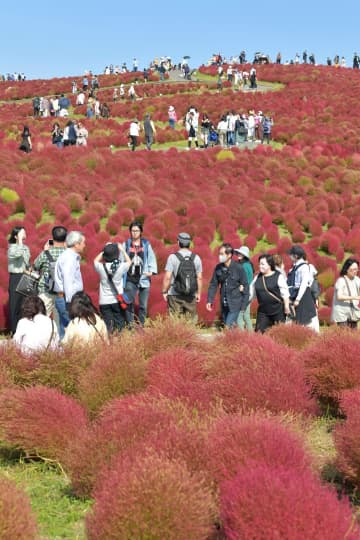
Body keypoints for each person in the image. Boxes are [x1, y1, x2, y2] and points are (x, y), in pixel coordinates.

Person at [33, 226, 67, 334]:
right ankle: (59, 344)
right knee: (60, 321)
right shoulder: (69, 254)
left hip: (45, 290)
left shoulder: (45, 254)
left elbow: (35, 266)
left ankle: (41, 344)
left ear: (53, 238)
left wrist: (45, 251)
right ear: (65, 239)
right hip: (62, 293)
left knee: (40, 319)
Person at [123, 221, 158, 326]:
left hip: (144, 279)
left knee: (143, 305)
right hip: (130, 278)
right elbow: (121, 258)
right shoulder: (126, 244)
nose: (134, 233)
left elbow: (151, 257)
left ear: (141, 232)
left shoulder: (146, 244)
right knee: (129, 303)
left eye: (137, 231)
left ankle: (141, 325)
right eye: (132, 231)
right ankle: (130, 325)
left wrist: (151, 271)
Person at [207, 244, 249, 328]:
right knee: (231, 328)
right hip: (224, 303)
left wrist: (244, 305)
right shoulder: (218, 267)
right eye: (219, 254)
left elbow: (245, 286)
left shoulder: (238, 268)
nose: (220, 256)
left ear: (229, 255)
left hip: (235, 303)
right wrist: (209, 300)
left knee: (227, 326)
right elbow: (213, 284)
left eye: (222, 254)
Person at [162, 232, 202, 321]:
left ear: (178, 242)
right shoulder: (196, 258)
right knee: (191, 323)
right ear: (189, 243)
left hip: (174, 294)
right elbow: (199, 278)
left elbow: (168, 277)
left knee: (174, 323)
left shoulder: (172, 257)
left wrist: (164, 291)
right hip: (191, 295)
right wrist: (198, 293)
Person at [54, 231, 86, 339]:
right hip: (68, 301)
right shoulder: (69, 258)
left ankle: (64, 354)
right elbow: (68, 281)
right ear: (76, 244)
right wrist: (71, 303)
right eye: (83, 243)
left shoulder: (69, 256)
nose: (84, 245)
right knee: (74, 332)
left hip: (65, 299)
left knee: (65, 332)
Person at [94, 242, 131, 333]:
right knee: (120, 323)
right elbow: (129, 261)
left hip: (104, 301)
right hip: (117, 300)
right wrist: (122, 250)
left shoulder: (100, 267)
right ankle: (119, 343)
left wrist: (104, 250)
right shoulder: (120, 267)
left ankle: (110, 343)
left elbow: (95, 260)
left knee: (108, 325)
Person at [250, 254, 290, 333]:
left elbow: (285, 293)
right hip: (263, 311)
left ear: (270, 264)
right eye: (259, 264)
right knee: (259, 333)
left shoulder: (278, 276)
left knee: (279, 334)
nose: (260, 266)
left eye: (263, 264)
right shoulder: (257, 277)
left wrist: (286, 306)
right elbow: (251, 292)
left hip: (278, 311)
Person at [7, 226, 31, 334]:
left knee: (25, 304)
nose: (24, 235)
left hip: (25, 277)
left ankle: (24, 331)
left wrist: (29, 269)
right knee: (14, 305)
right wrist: (20, 241)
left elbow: (26, 262)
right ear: (16, 236)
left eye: (24, 233)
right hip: (15, 277)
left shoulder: (26, 248)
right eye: (21, 233)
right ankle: (14, 331)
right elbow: (17, 254)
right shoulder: (11, 248)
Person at [287, 245, 317, 327]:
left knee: (303, 321)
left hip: (303, 295)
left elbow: (304, 284)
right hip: (296, 293)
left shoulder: (304, 267)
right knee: (296, 320)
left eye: (291, 255)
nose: (289, 257)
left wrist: (298, 299)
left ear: (296, 256)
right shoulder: (295, 266)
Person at [331, 258, 360, 329]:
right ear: (346, 269)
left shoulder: (357, 279)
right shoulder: (341, 281)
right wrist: (355, 297)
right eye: (353, 269)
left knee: (354, 335)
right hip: (342, 314)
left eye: (356, 269)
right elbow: (339, 296)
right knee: (345, 334)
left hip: (352, 312)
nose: (355, 271)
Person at [234, 246, 254, 331]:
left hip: (243, 293)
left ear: (244, 255)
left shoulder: (245, 266)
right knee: (246, 316)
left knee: (239, 316)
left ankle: (242, 337)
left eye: (241, 253)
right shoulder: (247, 264)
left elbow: (245, 280)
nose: (239, 254)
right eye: (239, 253)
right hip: (248, 293)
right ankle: (251, 336)